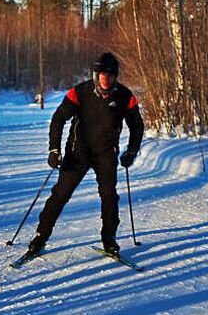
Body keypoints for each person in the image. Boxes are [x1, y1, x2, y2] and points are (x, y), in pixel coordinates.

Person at [27, 52, 144, 257]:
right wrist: (54, 149)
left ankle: (109, 240)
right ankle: (40, 237)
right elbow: (58, 119)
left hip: (106, 154)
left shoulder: (125, 97)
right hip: (77, 153)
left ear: (115, 76)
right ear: (95, 75)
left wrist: (131, 151)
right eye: (101, 74)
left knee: (109, 196)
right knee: (60, 195)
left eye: (109, 74)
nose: (105, 78)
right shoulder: (79, 93)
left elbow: (137, 125)